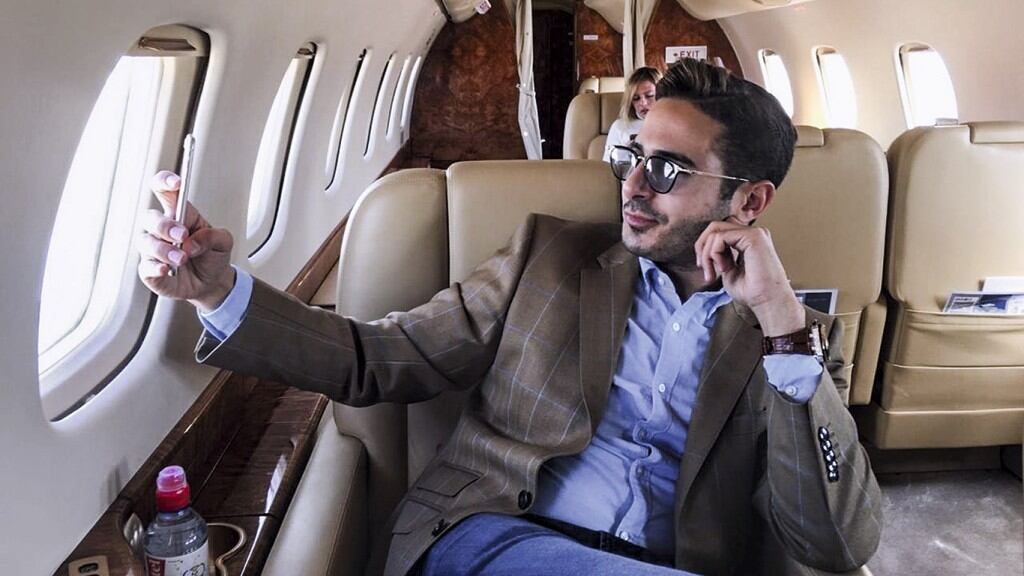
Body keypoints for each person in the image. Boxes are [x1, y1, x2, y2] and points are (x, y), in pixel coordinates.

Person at [138, 58, 881, 576]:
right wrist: (218, 291)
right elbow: (378, 358)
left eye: (665, 170)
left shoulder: (792, 345)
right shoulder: (548, 257)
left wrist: (781, 323)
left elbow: (836, 543)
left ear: (748, 202)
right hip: (493, 539)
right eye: (631, 158)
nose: (632, 186)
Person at [603, 66, 661, 161]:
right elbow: (607, 166)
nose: (643, 103)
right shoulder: (620, 127)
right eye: (636, 98)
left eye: (649, 96)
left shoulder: (675, 125)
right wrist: (627, 153)